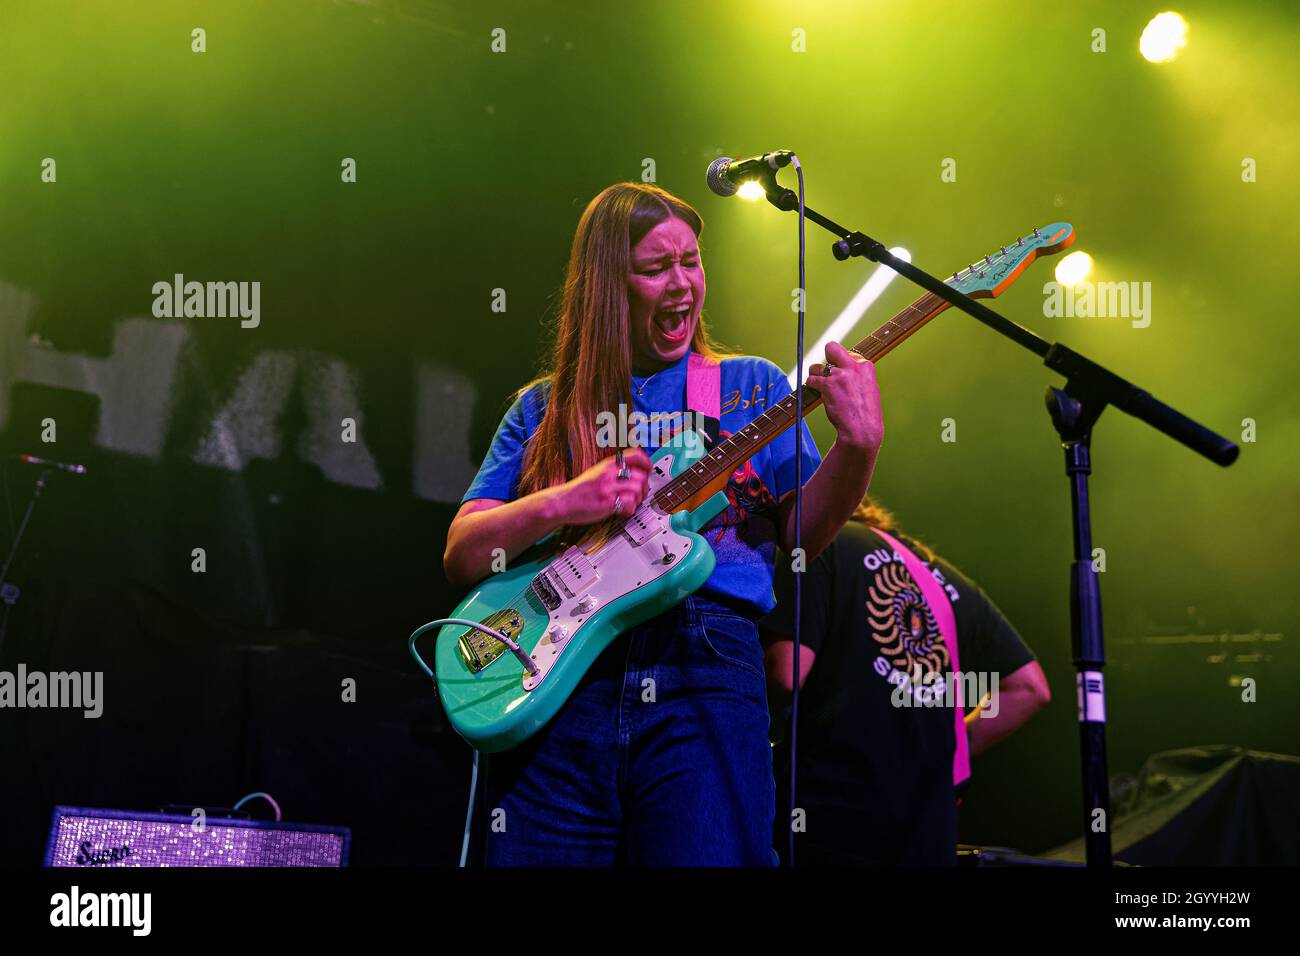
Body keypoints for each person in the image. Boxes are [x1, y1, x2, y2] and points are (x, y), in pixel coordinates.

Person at [443, 182, 883, 865]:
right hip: (559, 684)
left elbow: (802, 539)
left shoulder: (748, 387)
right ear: (604, 287)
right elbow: (465, 556)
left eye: (691, 261)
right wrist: (568, 501)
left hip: (705, 670)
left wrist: (858, 449)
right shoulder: (542, 411)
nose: (682, 284)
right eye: (655, 269)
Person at [760, 497, 1051, 865]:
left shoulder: (819, 543)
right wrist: (948, 734)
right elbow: (1028, 689)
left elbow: (786, 672)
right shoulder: (945, 579)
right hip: (928, 833)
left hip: (831, 817)